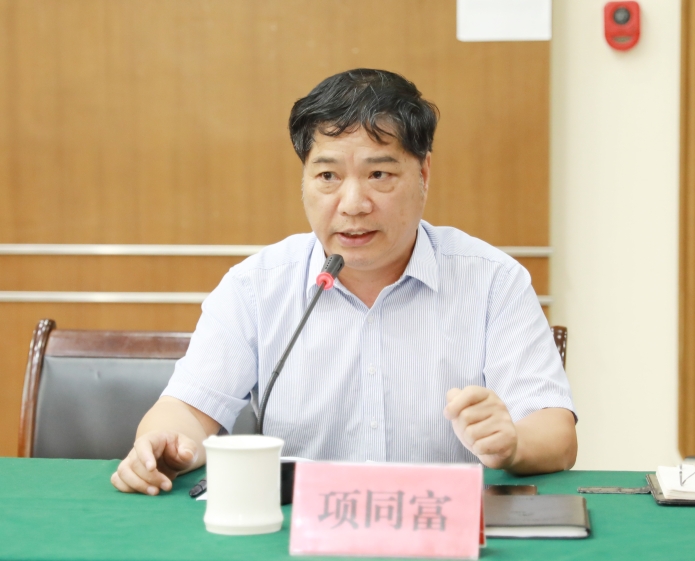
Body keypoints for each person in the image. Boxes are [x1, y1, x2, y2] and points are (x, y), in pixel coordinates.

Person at [111, 69, 577, 496]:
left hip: (442, 526)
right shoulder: (255, 286)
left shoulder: (493, 280)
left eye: (379, 174)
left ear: (423, 174)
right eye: (328, 176)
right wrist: (165, 443)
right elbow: (188, 410)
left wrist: (513, 444)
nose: (353, 204)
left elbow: (555, 432)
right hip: (298, 530)